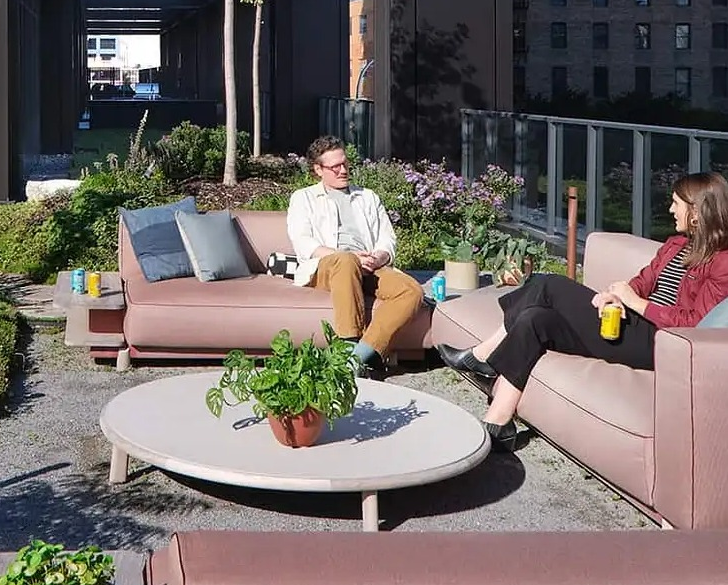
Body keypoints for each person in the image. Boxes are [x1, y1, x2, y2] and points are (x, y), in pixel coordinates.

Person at [437, 171, 728, 452]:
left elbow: (694, 323)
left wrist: (637, 304)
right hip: (632, 322)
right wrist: (617, 296)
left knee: (549, 284)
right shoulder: (676, 245)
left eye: (676, 203)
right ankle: (498, 424)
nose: (670, 210)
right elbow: (643, 282)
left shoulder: (722, 262)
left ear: (696, 211)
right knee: (536, 318)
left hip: (661, 343)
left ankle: (484, 355)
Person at [286, 135, 423, 376]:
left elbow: (387, 238)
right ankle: (347, 343)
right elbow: (304, 243)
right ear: (318, 170)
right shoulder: (303, 198)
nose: (343, 170)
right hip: (328, 264)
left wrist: (378, 257)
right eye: (335, 167)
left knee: (411, 291)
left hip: (369, 264)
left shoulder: (367, 197)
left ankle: (358, 357)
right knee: (346, 260)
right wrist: (348, 257)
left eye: (345, 163)